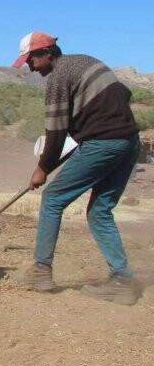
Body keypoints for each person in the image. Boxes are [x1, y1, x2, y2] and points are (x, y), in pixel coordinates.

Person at [15, 32, 140, 304]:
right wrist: (85, 134)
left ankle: (41, 271)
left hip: (103, 143)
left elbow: (56, 133)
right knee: (99, 211)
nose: (30, 67)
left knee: (52, 198)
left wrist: (42, 168)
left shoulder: (59, 77)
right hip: (129, 142)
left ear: (47, 53)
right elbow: (124, 94)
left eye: (31, 60)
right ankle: (122, 280)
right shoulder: (87, 61)